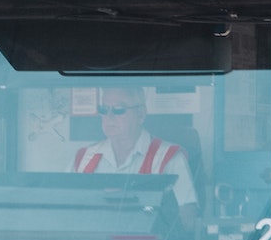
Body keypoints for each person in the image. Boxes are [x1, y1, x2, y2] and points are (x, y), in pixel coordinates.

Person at [72, 87, 198, 230]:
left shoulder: (169, 157)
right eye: (103, 109)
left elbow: (188, 220)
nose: (109, 117)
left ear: (141, 114)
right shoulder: (83, 158)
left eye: (119, 110)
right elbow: (62, 211)